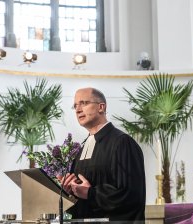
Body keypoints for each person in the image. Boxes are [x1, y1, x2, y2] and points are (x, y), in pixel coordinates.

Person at [61, 87, 146, 223]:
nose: (78, 110)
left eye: (84, 103)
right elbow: (79, 202)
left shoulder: (122, 142)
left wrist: (90, 193)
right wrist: (69, 192)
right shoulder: (81, 149)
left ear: (101, 107)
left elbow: (131, 195)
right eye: (75, 106)